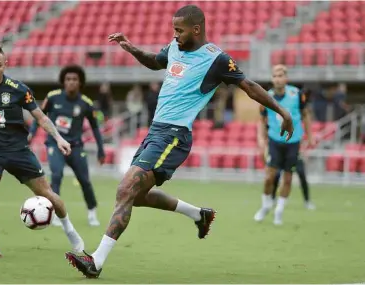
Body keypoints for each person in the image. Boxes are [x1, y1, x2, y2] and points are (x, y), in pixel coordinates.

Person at [66, 5, 294, 278]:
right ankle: (199, 214)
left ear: (196, 29)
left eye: (179, 30)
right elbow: (155, 61)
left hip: (175, 136)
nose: (174, 35)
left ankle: (96, 261)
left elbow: (250, 86)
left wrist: (281, 112)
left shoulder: (217, 59)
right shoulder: (175, 47)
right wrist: (131, 48)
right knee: (135, 197)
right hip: (155, 132)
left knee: (126, 189)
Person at [0, 44, 84, 257]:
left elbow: (40, 116)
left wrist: (58, 138)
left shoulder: (18, 89)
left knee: (47, 194)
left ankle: (70, 231)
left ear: (6, 64)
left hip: (18, 152)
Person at [28, 65, 105, 227]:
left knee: (84, 180)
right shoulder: (53, 97)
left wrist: (101, 150)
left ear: (80, 82)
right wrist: (31, 135)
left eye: (74, 79)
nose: (71, 82)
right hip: (55, 144)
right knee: (56, 175)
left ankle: (92, 212)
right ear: (63, 81)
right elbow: (38, 117)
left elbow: (95, 128)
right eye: (68, 79)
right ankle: (55, 213)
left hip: (76, 146)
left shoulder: (86, 103)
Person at [255, 64, 314, 226]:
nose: (278, 78)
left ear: (286, 78)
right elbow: (261, 119)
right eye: (275, 75)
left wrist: (310, 136)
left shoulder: (297, 94)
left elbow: (305, 115)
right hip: (274, 141)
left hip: (293, 142)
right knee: (269, 177)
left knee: (287, 179)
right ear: (272, 79)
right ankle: (266, 205)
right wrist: (261, 139)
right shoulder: (266, 96)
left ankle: (279, 211)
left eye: (281, 75)